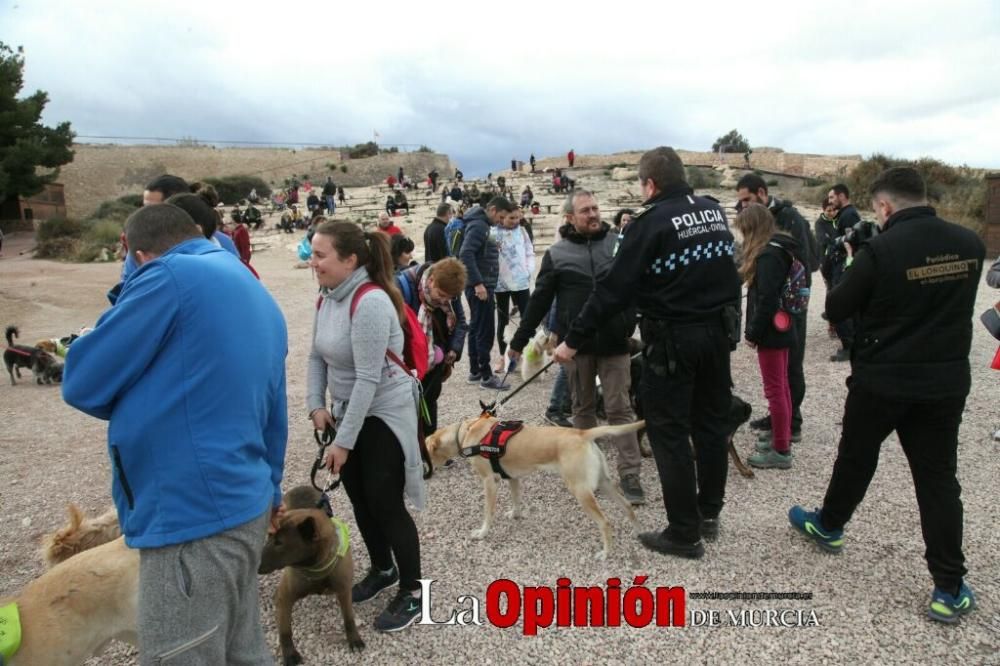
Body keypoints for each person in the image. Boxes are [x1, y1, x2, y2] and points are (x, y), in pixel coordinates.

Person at [62, 203, 288, 663]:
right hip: (245, 500)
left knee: (180, 653)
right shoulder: (249, 284)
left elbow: (83, 381)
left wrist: (130, 290)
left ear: (138, 255)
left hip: (191, 517)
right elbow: (273, 410)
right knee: (242, 649)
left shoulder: (166, 277)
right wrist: (272, 492)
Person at [789, 167, 985, 624]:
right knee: (937, 480)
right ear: (923, 196)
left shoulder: (879, 251)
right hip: (944, 380)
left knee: (856, 457)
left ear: (884, 206)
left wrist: (855, 259)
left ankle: (831, 525)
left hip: (882, 379)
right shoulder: (971, 244)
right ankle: (949, 587)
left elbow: (836, 308)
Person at [552, 147, 741, 558]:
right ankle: (709, 512)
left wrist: (572, 339)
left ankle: (684, 532)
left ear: (650, 184)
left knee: (668, 431)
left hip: (675, 339)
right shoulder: (712, 210)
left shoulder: (648, 222)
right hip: (716, 335)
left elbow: (613, 290)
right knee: (710, 426)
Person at [306, 220, 426, 633]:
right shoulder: (327, 297)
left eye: (320, 255)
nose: (312, 262)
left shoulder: (370, 301)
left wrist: (343, 439)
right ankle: (382, 569)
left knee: (385, 502)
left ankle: (413, 591)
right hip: (348, 410)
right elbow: (316, 356)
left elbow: (369, 379)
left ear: (350, 259)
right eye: (313, 253)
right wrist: (314, 405)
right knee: (359, 498)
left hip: (384, 413)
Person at [508, 189, 646, 505]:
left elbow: (637, 285)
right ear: (570, 217)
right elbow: (539, 300)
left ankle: (630, 474)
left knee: (619, 407)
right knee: (581, 408)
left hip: (615, 343)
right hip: (576, 346)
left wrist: (632, 319)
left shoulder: (617, 244)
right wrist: (518, 343)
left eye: (596, 208)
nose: (594, 214)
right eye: (585, 210)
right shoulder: (557, 254)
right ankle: (588, 469)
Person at [735, 174, 816, 444]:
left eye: (747, 200)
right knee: (779, 380)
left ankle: (790, 425)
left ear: (761, 192)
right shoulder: (770, 239)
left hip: (783, 316)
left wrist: (757, 329)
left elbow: (805, 263)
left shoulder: (787, 221)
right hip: (775, 315)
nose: (743, 206)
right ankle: (779, 420)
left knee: (787, 372)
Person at [734, 204, 799, 469]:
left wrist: (753, 332)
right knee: (781, 386)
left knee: (775, 389)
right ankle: (780, 436)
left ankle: (781, 450)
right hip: (782, 328)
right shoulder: (780, 248)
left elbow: (768, 300)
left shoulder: (768, 256)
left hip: (771, 332)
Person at [396, 257, 468, 436]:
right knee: (405, 408)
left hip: (436, 358)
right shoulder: (401, 287)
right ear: (431, 280)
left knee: (429, 402)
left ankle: (428, 448)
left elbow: (461, 323)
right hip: (408, 361)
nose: (444, 301)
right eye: (441, 295)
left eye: (449, 298)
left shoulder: (451, 293)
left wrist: (454, 349)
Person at [459, 196, 515, 390]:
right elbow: (466, 253)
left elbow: (475, 251)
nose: (500, 221)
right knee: (485, 330)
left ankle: (475, 371)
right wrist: (478, 283)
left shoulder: (479, 225)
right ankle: (486, 376)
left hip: (479, 284)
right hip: (481, 287)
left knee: (476, 327)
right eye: (500, 217)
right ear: (492, 209)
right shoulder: (479, 226)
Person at [492, 206, 535, 372]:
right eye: (511, 218)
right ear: (503, 217)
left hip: (521, 281)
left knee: (528, 318)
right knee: (503, 321)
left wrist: (528, 270)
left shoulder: (523, 231)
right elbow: (489, 255)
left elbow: (530, 252)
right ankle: (503, 357)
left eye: (517, 217)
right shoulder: (493, 233)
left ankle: (530, 355)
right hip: (501, 283)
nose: (515, 221)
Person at [826, 183, 860, 361]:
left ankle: (849, 345)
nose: (830, 201)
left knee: (839, 304)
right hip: (840, 263)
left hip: (844, 264)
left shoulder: (849, 215)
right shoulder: (845, 214)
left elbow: (851, 242)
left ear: (841, 196)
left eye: (832, 197)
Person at [227, 209, 260, 278]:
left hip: (242, 259)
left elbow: (245, 247)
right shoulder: (236, 230)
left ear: (233, 219)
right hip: (237, 258)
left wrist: (244, 260)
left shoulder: (241, 230)